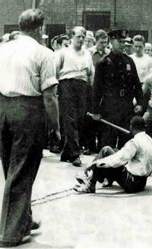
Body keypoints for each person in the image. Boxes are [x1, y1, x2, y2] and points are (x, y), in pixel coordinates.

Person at [0, 9, 60, 247]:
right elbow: (50, 96)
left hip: (2, 109)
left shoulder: (0, 49)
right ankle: (9, 235)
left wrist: (2, 109)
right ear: (39, 29)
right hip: (28, 110)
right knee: (22, 171)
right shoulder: (43, 52)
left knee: (12, 168)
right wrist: (56, 127)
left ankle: (24, 220)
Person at [91, 29, 145, 149]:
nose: (123, 44)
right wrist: (96, 111)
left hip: (126, 108)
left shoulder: (129, 61)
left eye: (124, 42)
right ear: (111, 41)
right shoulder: (103, 63)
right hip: (109, 109)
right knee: (107, 143)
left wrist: (140, 103)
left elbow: (136, 84)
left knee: (126, 143)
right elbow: (96, 89)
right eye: (120, 42)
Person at [74, 116, 152, 193]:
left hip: (131, 183)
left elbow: (118, 159)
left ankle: (90, 183)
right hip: (142, 183)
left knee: (104, 156)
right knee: (111, 151)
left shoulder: (134, 142)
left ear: (131, 127)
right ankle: (105, 179)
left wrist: (95, 163)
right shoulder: (151, 141)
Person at [55, 26, 94, 167]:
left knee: (79, 119)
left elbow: (91, 73)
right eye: (78, 37)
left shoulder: (87, 54)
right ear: (71, 37)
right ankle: (75, 154)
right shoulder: (63, 52)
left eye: (83, 37)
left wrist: (90, 89)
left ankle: (67, 151)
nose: (81, 39)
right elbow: (56, 71)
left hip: (82, 86)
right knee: (70, 119)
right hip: (67, 85)